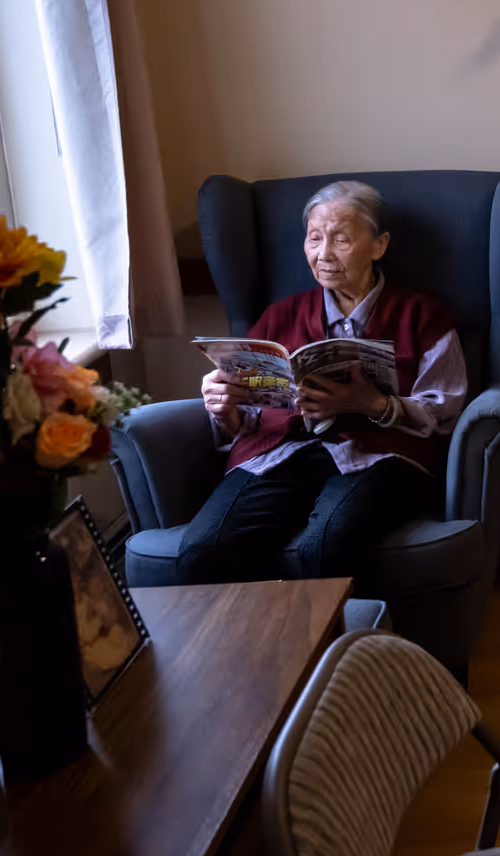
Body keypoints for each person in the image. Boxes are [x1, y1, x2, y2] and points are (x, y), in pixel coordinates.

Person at [185, 181, 467, 583]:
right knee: (203, 551)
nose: (323, 254)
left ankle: (334, 646)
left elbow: (444, 409)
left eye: (341, 239)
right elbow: (245, 422)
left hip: (379, 457)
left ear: (379, 245)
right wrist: (224, 407)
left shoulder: (423, 316)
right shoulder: (279, 317)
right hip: (281, 453)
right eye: (314, 238)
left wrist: (374, 404)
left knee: (325, 548)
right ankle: (240, 645)